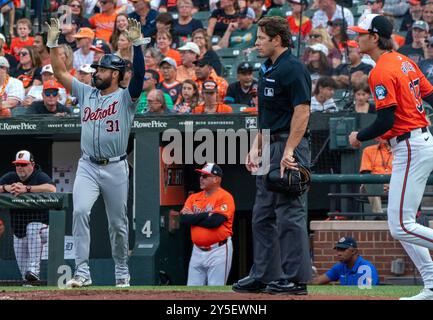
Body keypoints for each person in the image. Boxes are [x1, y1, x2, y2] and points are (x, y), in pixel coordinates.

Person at [46, 17, 145, 288]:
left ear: (114, 74)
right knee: (79, 212)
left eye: (100, 70)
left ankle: (122, 270)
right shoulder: (87, 92)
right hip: (88, 165)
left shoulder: (126, 97)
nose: (94, 73)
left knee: (118, 225)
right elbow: (60, 73)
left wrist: (137, 45)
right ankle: (82, 272)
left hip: (115, 167)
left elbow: (139, 76)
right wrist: (53, 43)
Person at [348, 14, 433, 300]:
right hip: (415, 142)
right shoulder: (406, 61)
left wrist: (358, 137)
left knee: (400, 226)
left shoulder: (381, 70)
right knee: (403, 223)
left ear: (374, 37)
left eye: (361, 33)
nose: (356, 38)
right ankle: (432, 285)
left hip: (409, 144)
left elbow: (385, 120)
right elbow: (430, 95)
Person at [232, 16, 312, 295]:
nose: (256, 43)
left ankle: (295, 278)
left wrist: (289, 150)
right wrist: (256, 146)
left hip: (289, 144)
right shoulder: (267, 68)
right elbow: (266, 115)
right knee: (262, 214)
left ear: (277, 39)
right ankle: (264, 274)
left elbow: (302, 111)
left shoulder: (293, 68)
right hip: (268, 143)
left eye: (260, 38)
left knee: (289, 213)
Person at [0, 150, 56, 284]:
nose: (20, 168)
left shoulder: (39, 175)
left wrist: (27, 189)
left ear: (32, 164)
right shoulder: (11, 177)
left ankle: (34, 268)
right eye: (17, 164)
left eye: (23, 164)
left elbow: (52, 189)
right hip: (19, 232)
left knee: (32, 227)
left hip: (42, 229)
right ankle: (31, 286)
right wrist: (8, 188)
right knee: (26, 277)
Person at [180, 163, 235, 286]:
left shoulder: (225, 197)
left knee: (216, 292)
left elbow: (214, 222)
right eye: (200, 175)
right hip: (197, 250)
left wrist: (193, 217)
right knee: (192, 292)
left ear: (216, 179)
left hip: (218, 250)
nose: (201, 178)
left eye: (205, 176)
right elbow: (183, 220)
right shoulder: (193, 197)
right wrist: (206, 215)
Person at [312, 236, 380, 286]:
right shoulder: (340, 266)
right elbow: (317, 281)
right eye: (338, 250)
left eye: (343, 249)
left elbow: (366, 294)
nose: (339, 253)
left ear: (354, 251)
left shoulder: (366, 268)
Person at [359, 139, 393, 214]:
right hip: (374, 186)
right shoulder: (368, 150)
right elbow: (365, 173)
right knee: (370, 183)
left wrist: (390, 184)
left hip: (395, 186)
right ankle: (379, 215)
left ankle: (400, 218)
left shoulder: (401, 151)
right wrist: (381, 185)